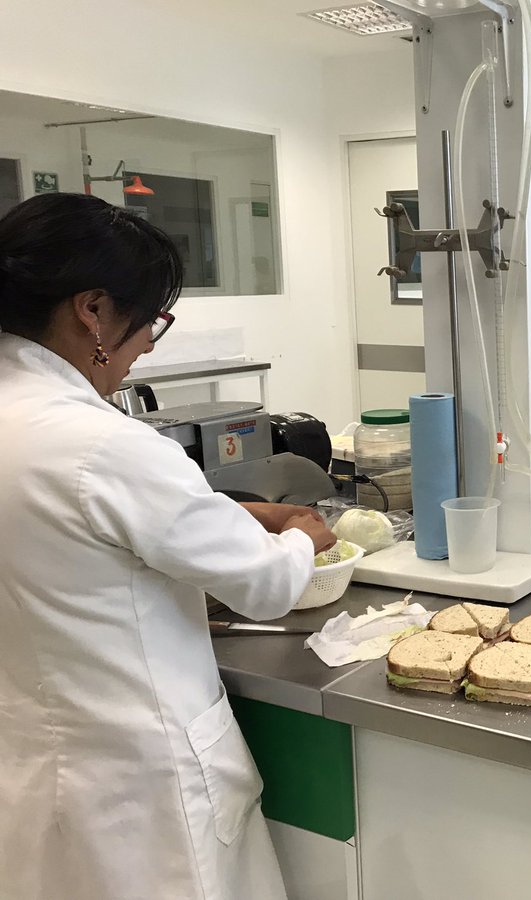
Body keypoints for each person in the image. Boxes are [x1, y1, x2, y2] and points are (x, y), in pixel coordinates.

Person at [0, 193, 337, 900]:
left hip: (32, 773)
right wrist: (302, 536)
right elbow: (267, 589)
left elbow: (85, 538)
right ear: (92, 310)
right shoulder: (102, 444)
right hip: (144, 790)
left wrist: (232, 512)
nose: (146, 346)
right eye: (149, 321)